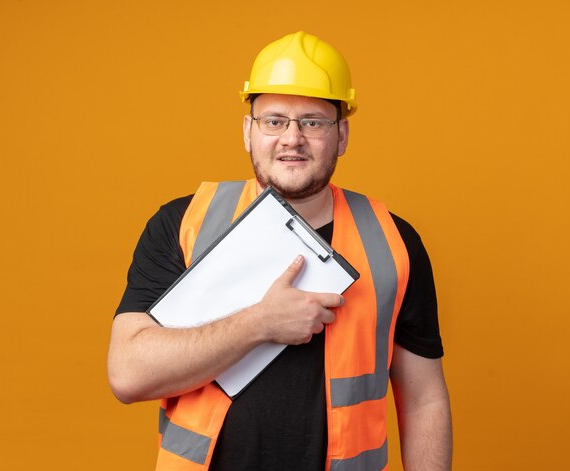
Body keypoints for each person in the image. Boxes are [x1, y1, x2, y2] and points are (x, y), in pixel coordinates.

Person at [108, 31, 452, 471]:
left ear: (342, 135)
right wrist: (260, 322)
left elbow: (423, 399)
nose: (292, 138)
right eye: (274, 121)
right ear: (248, 132)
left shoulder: (393, 242)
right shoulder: (184, 224)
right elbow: (128, 375)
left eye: (312, 121)